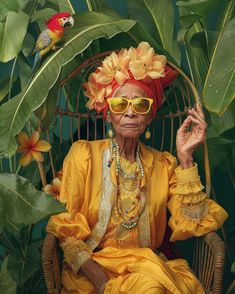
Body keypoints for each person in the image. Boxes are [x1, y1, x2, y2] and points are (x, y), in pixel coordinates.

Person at [47, 42, 228, 294]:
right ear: (108, 114)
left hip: (148, 265)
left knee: (153, 287)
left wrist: (186, 157)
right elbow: (66, 232)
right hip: (93, 269)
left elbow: (195, 221)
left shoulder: (164, 164)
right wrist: (102, 284)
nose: (130, 113)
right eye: (120, 105)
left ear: (150, 116)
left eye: (140, 105)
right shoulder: (83, 155)